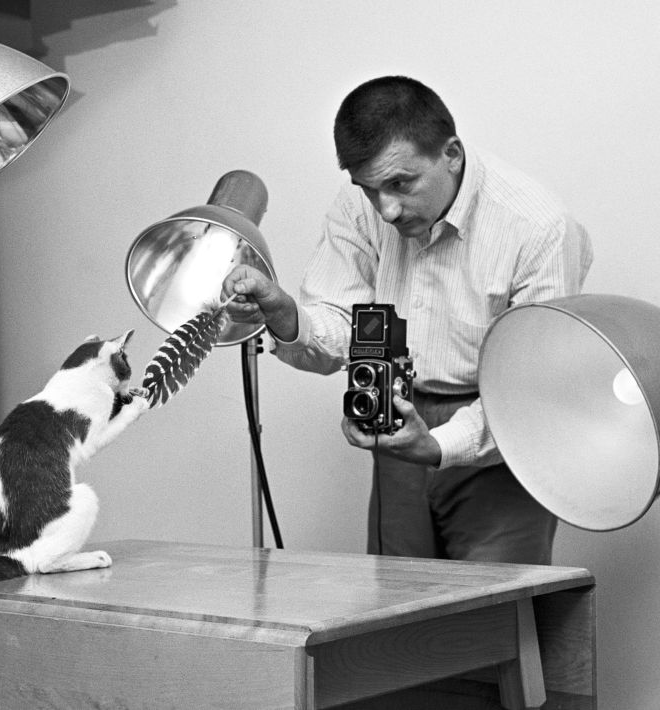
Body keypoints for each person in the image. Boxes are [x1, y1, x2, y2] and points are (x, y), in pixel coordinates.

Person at [221, 75, 593, 564]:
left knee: (495, 604)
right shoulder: (362, 205)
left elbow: (531, 393)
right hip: (397, 422)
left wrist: (436, 445)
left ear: (451, 154)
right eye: (369, 189)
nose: (387, 210)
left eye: (401, 184)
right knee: (396, 601)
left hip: (502, 441)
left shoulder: (541, 229)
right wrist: (286, 315)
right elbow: (341, 322)